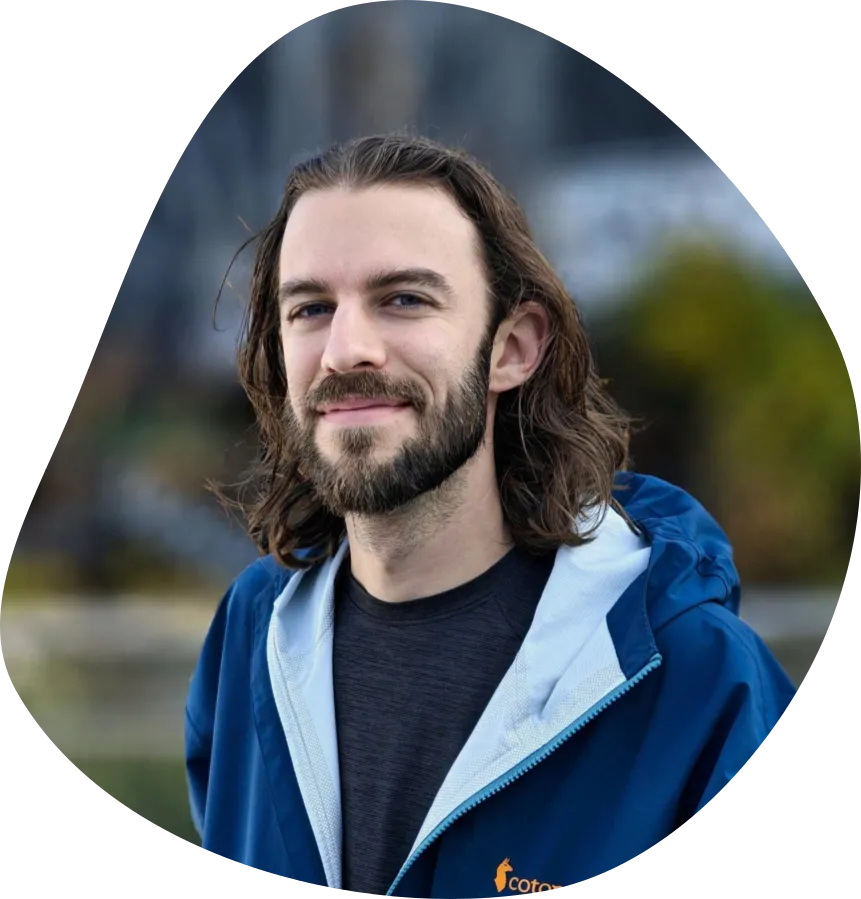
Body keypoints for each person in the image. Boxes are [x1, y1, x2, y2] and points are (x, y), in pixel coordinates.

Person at [185, 133, 797, 898]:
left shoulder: (694, 676)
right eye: (310, 308)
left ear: (511, 348)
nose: (345, 349)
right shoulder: (250, 637)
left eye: (403, 299)